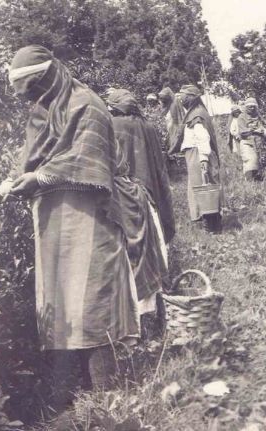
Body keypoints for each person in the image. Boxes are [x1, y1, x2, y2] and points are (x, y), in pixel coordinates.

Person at [0, 46, 140, 397]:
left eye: (32, 89)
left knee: (94, 298)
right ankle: (67, 392)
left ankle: (107, 394)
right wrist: (0, 192)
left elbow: (88, 158)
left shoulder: (86, 104)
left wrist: (42, 179)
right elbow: (27, 164)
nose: (29, 99)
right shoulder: (42, 111)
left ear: (47, 77)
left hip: (91, 213)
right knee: (61, 297)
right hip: (54, 219)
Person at [106, 89, 176, 314]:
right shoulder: (148, 126)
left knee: (129, 248)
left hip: (122, 193)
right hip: (149, 190)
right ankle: (157, 297)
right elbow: (159, 166)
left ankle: (133, 309)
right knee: (153, 241)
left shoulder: (112, 125)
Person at [175, 84, 223, 232]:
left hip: (198, 155)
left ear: (190, 98)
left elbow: (203, 138)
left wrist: (203, 159)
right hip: (194, 155)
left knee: (203, 188)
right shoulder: (195, 113)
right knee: (201, 187)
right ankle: (210, 222)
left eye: (183, 95)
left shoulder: (197, 115)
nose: (181, 99)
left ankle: (210, 225)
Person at [236, 97, 266, 180]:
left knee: (260, 161)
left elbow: (263, 124)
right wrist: (254, 131)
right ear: (246, 107)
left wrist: (263, 129)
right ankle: (249, 181)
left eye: (254, 106)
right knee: (250, 161)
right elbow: (242, 131)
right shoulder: (241, 117)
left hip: (258, 142)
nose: (252, 108)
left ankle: (259, 180)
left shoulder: (257, 115)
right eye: (250, 106)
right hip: (247, 142)